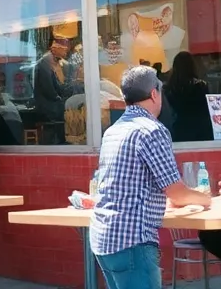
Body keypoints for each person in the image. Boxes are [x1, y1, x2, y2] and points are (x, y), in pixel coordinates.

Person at [89, 65, 212, 289]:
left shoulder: (113, 131)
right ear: (155, 94)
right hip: (131, 239)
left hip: (104, 237)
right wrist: (206, 198)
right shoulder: (151, 130)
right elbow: (176, 192)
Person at [162, 51, 214, 142]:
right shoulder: (200, 86)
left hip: (177, 131)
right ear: (192, 66)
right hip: (200, 131)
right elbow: (206, 111)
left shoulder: (168, 89)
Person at [33, 37, 75, 143]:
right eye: (64, 49)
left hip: (54, 103)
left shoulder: (60, 63)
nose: (66, 52)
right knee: (70, 113)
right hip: (47, 106)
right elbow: (49, 91)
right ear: (55, 49)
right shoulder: (45, 63)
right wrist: (63, 101)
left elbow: (62, 87)